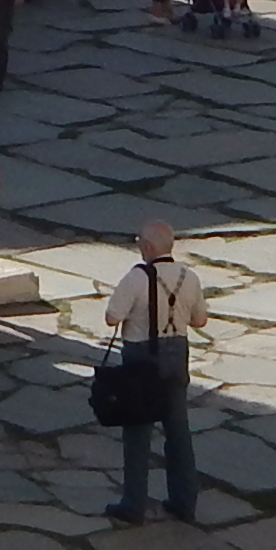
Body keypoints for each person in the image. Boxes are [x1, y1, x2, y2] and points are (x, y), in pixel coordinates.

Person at [100, 220, 208, 522]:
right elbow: (200, 320)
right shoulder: (190, 276)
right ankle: (184, 500)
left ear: (147, 247)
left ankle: (134, 503)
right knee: (178, 429)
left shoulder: (136, 278)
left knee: (137, 430)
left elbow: (112, 317)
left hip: (141, 358)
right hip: (176, 355)